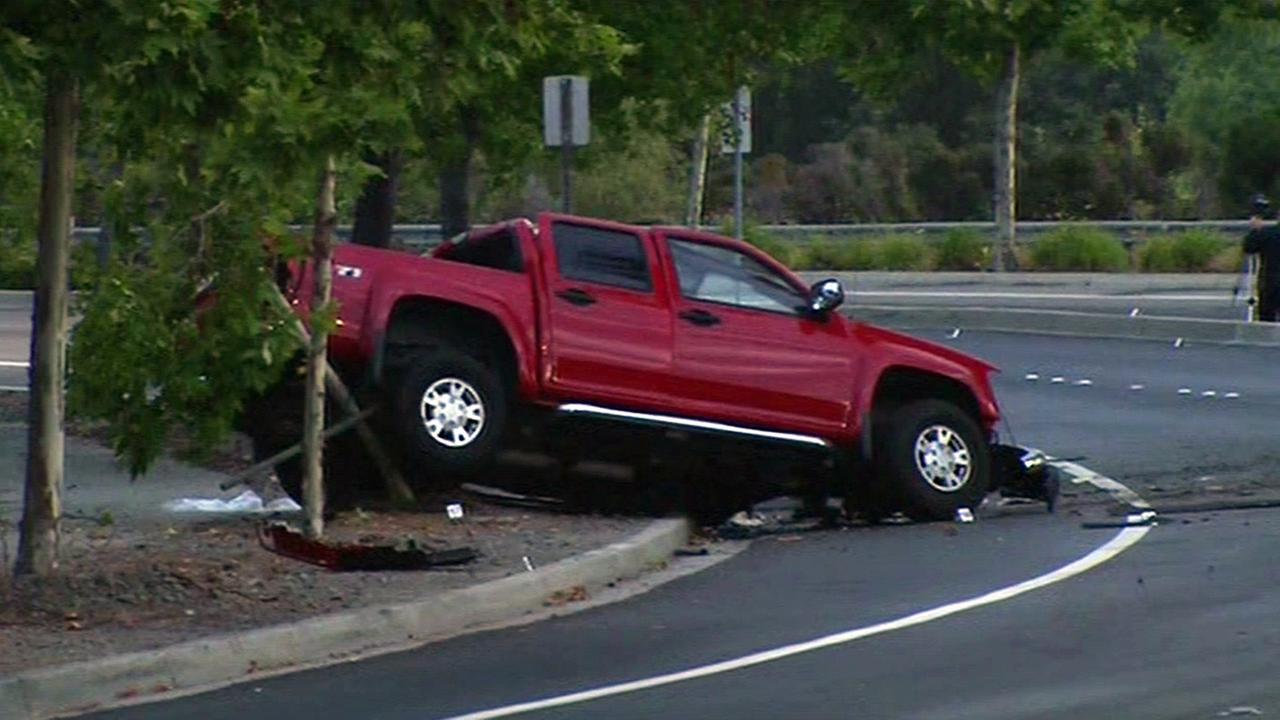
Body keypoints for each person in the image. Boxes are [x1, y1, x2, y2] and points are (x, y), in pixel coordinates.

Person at [1243, 198, 1280, 322]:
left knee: (1267, 318)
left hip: (1271, 282)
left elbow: (1249, 248)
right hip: (1271, 281)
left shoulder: (1268, 234)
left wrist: (1255, 230)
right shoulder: (1269, 234)